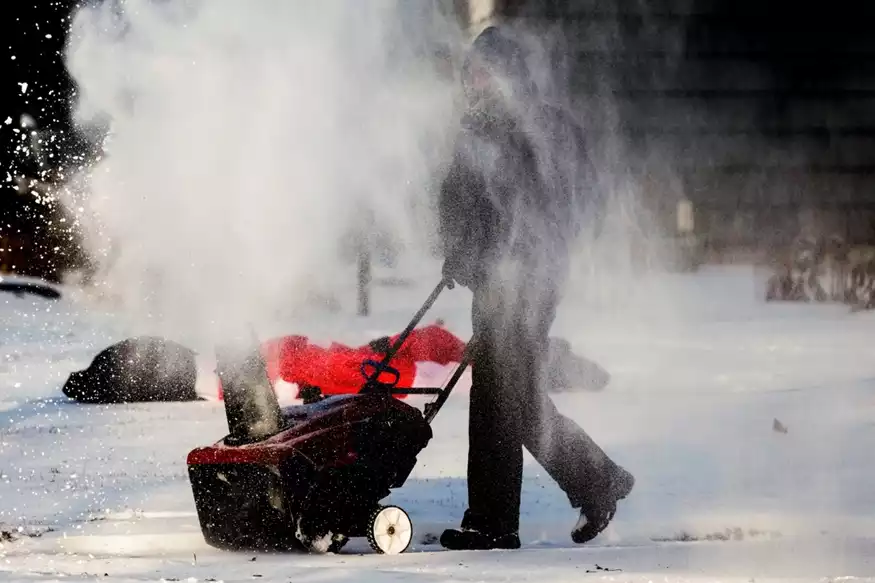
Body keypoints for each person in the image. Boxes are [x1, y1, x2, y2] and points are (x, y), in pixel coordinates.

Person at [437, 25, 634, 551]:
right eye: (471, 73)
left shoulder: (542, 128)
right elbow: (458, 201)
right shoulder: (475, 129)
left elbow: (571, 201)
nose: (476, 82)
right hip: (491, 280)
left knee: (506, 396)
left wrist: (528, 251)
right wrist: (457, 247)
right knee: (503, 395)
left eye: (485, 72)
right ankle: (516, 511)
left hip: (532, 280)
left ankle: (566, 491)